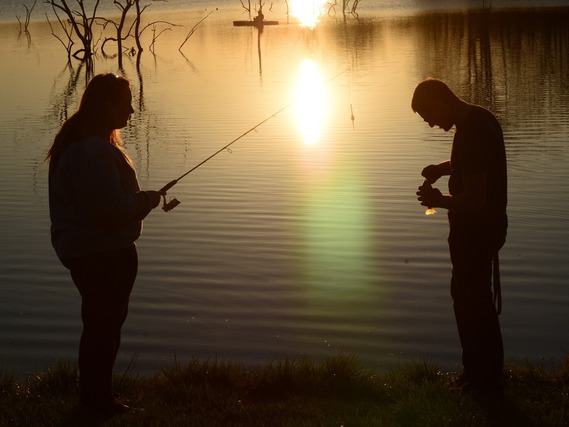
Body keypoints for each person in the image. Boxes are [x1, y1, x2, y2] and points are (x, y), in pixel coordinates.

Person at [46, 73, 163, 415]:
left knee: (103, 324)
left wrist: (142, 201)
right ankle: (97, 402)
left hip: (96, 250)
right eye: (126, 103)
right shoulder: (92, 151)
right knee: (102, 327)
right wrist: (146, 202)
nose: (131, 110)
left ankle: (99, 397)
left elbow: (106, 205)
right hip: (102, 254)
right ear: (107, 105)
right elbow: (109, 210)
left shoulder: (88, 144)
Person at [412, 78, 507, 393]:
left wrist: (438, 201)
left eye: (430, 117)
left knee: (474, 303)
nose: (432, 124)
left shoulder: (473, 133)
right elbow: (472, 164)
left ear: (440, 103)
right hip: (483, 230)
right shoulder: (479, 118)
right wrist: (443, 168)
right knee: (466, 298)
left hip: (476, 233)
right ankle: (477, 374)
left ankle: (484, 378)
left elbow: (475, 200)